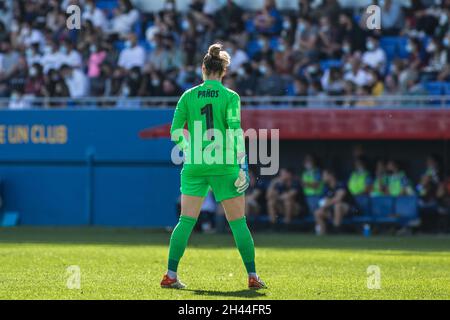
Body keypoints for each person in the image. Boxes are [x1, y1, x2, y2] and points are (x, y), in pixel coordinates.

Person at [161, 44, 266, 290]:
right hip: (224, 164)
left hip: (196, 164)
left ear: (203, 69)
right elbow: (235, 131)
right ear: (224, 71)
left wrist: (188, 150)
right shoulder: (231, 97)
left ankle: (170, 275)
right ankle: (252, 276)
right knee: (238, 223)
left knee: (185, 221)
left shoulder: (188, 96)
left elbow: (175, 131)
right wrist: (243, 164)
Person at [314, 169, 358, 235]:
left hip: (351, 209)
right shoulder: (326, 187)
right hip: (333, 211)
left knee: (338, 205)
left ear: (331, 175)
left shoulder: (341, 184)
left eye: (324, 175)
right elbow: (322, 201)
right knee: (318, 212)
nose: (322, 177)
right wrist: (324, 205)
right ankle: (322, 233)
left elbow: (338, 199)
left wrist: (327, 203)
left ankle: (336, 230)